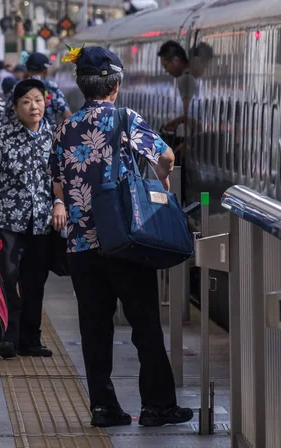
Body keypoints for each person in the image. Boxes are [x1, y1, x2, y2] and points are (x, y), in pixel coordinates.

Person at [50, 45, 193, 428]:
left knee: (94, 328)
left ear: (81, 85)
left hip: (81, 245)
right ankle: (157, 407)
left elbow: (58, 182)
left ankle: (104, 408)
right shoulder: (124, 119)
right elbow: (164, 156)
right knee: (144, 325)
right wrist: (161, 180)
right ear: (116, 85)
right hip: (126, 241)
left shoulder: (63, 127)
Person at [0, 79, 63, 360]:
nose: (33, 106)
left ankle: (32, 339)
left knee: (35, 281)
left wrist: (59, 203)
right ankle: (8, 337)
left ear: (45, 102)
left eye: (38, 100)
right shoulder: (2, 137)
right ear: (15, 107)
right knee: (8, 278)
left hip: (42, 221)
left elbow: (58, 178)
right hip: (7, 221)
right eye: (26, 101)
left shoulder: (54, 137)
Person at [4, 52, 72, 126]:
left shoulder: (17, 87)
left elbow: (8, 113)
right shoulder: (51, 86)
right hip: (48, 135)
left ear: (26, 69)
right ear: (45, 70)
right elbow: (66, 114)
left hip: (22, 135)